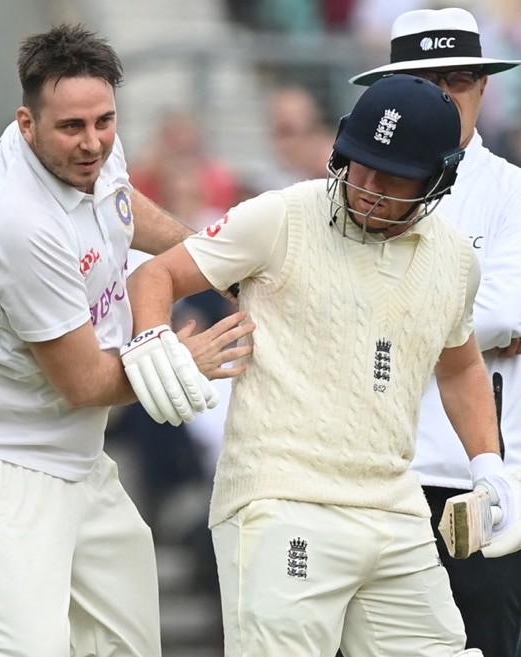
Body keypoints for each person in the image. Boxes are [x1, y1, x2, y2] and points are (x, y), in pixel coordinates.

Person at [0, 24, 252, 657]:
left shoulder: (85, 145)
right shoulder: (17, 222)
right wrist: (182, 359)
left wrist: (216, 263)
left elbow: (120, 205)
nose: (93, 143)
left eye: (104, 122)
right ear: (26, 123)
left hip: (69, 455)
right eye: (72, 129)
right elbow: (84, 383)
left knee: (131, 646)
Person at [126, 73, 507, 656]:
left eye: (391, 175)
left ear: (439, 179)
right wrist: (153, 337)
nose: (366, 188)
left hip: (394, 508)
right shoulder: (282, 217)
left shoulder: (455, 260)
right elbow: (157, 273)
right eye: (359, 164)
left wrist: (489, 467)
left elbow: (459, 369)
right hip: (282, 501)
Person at [348, 9, 521, 656]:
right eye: (424, 82)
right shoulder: (354, 187)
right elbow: (487, 326)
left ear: (484, 86)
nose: (444, 96)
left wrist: (374, 318)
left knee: (482, 639)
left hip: (471, 475)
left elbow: (502, 310)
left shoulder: (512, 192)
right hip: (366, 469)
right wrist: (462, 326)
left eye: (458, 79)